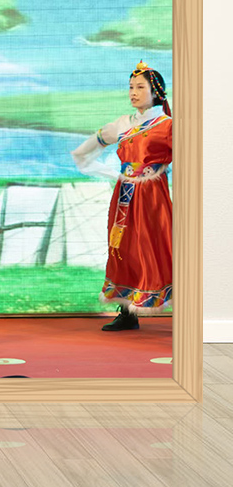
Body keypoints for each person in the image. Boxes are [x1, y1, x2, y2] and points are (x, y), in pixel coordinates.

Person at [71, 61, 172, 331]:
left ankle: (182, 307)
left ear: (156, 92)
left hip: (152, 196)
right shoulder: (123, 124)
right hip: (124, 195)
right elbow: (84, 152)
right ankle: (127, 312)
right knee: (122, 248)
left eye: (140, 87)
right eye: (130, 87)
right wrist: (112, 174)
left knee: (153, 247)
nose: (133, 93)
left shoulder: (168, 125)